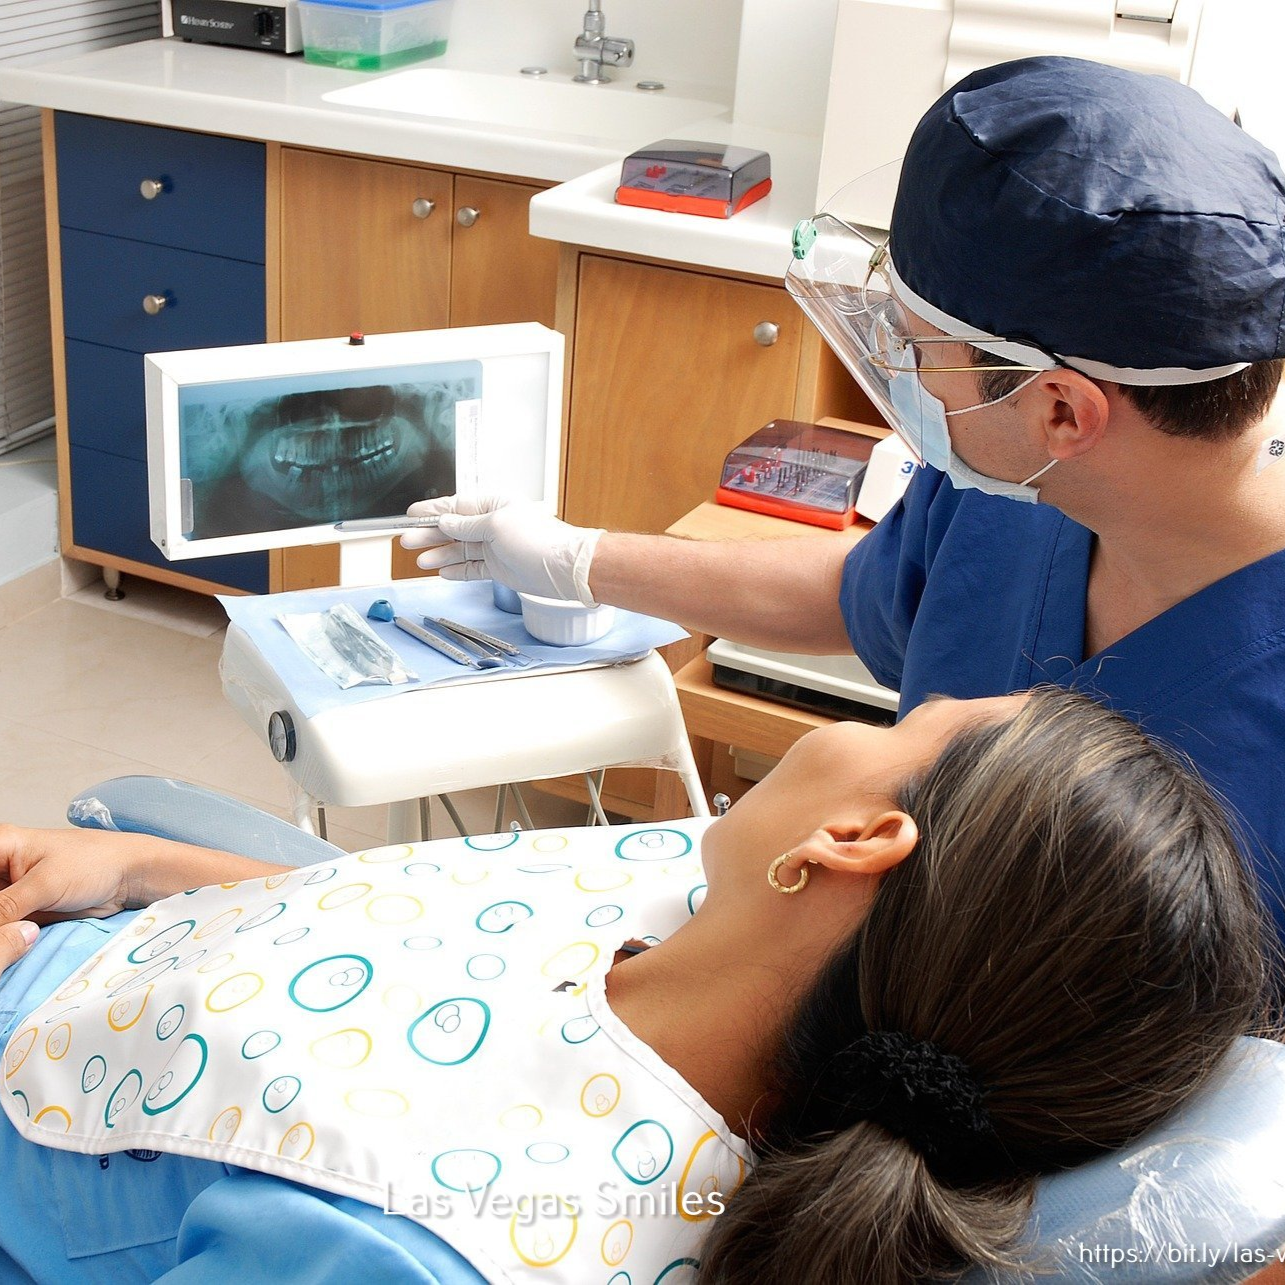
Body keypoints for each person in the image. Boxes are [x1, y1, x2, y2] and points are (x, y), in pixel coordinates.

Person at [400, 56, 1285, 953]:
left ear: (1060, 408)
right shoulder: (1014, 491)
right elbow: (859, 593)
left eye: (913, 345)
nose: (895, 374)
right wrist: (577, 560)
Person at [0, 689, 1273, 1282]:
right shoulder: (728, 905)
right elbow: (417, 921)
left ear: (860, 840)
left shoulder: (406, 1242)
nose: (883, 716)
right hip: (118, 937)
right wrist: (143, 865)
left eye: (912, 721)